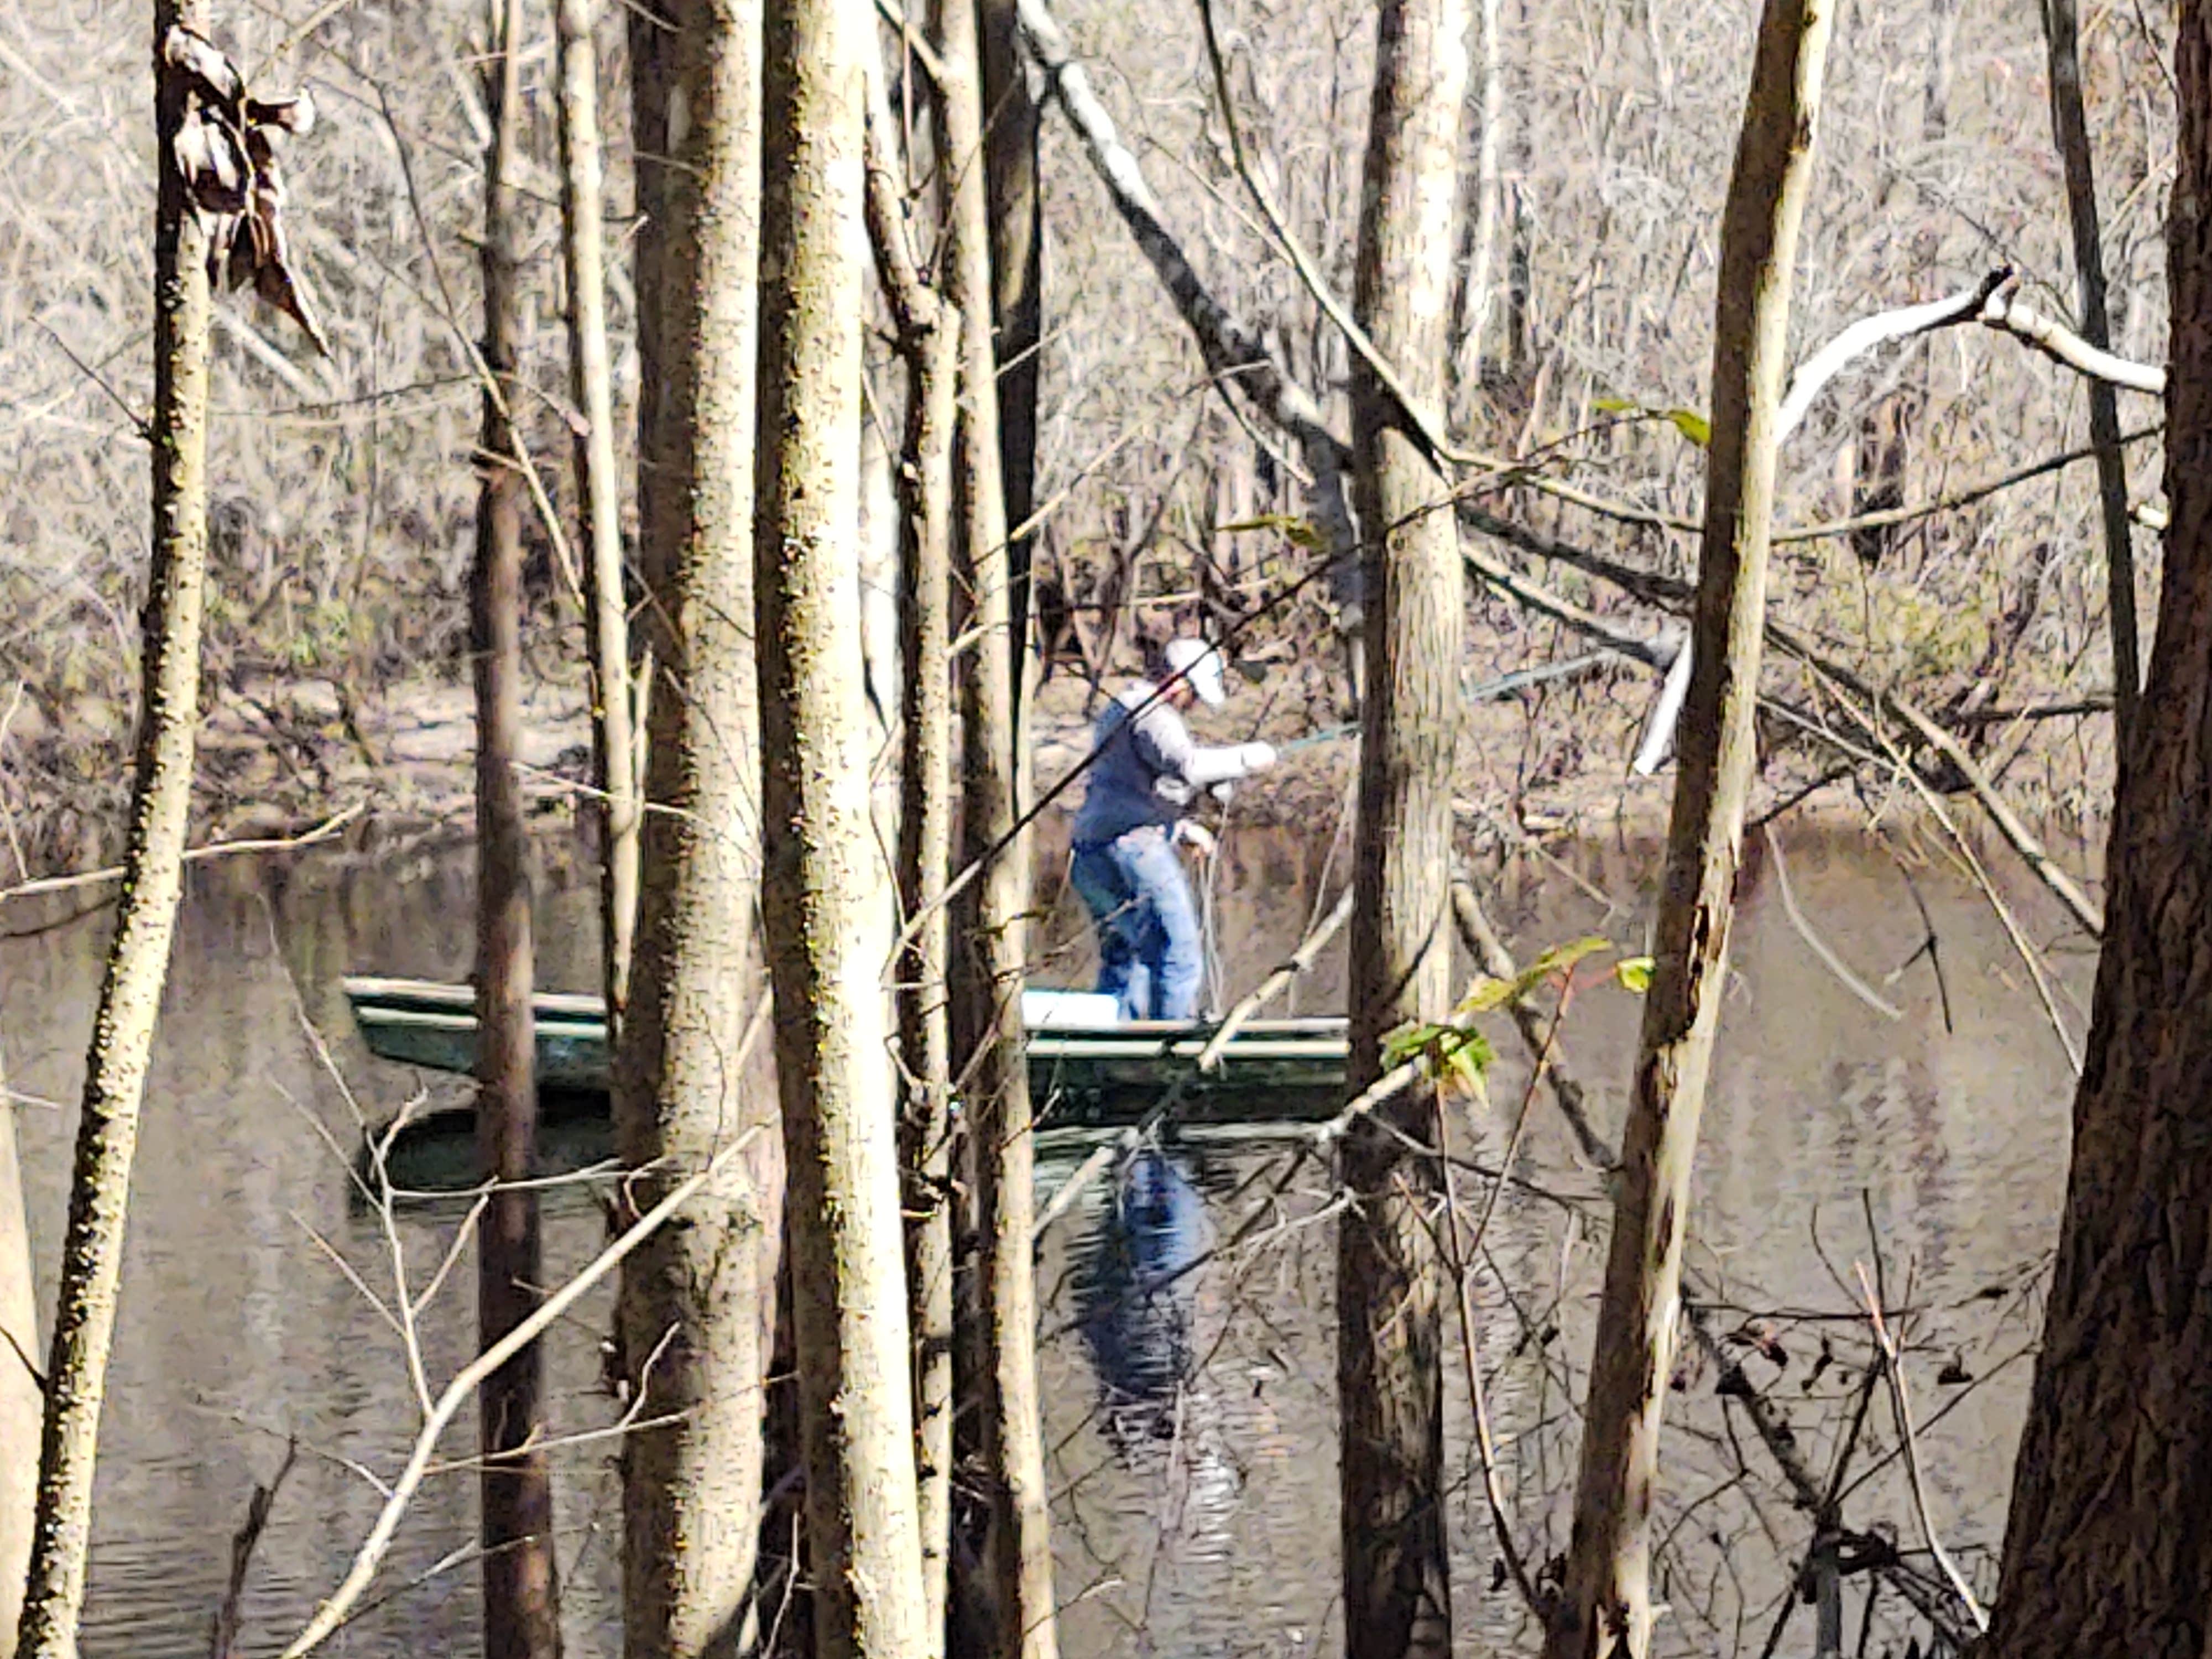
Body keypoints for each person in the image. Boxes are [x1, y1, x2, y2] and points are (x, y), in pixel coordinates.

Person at [1069, 636, 1276, 1021]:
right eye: (1193, 693)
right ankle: (1169, 1051)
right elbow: (1189, 766)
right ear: (1177, 681)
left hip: (1092, 850)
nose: (1194, 704)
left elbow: (1127, 784)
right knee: (1178, 956)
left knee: (1126, 958)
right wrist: (1249, 758)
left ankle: (1106, 1056)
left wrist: (1180, 829)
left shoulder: (1124, 705)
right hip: (1131, 848)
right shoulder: (1151, 712)